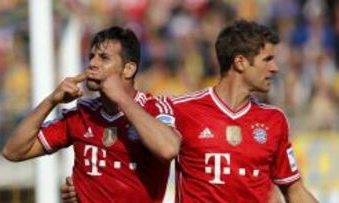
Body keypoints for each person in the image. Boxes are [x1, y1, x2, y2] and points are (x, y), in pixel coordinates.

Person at [61, 20, 318, 203]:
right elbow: (133, 157)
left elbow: (294, 190)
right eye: (267, 60)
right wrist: (87, 188)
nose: (274, 68)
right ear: (240, 62)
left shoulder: (274, 120)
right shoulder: (180, 110)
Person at [2, 26, 180, 203]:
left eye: (104, 58)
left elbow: (169, 149)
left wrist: (120, 98)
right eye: (91, 57)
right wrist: (51, 101)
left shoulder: (154, 108)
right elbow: (13, 151)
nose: (93, 63)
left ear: (128, 69)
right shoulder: (82, 113)